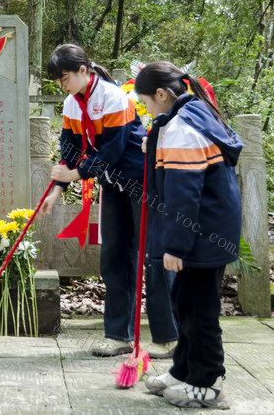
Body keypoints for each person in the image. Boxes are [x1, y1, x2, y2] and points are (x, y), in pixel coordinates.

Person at [43, 44, 178, 359]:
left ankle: (169, 337)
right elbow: (70, 149)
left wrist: (75, 175)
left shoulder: (113, 97)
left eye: (65, 78)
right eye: (59, 80)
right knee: (115, 258)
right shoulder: (72, 104)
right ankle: (119, 335)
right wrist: (56, 188)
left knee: (154, 258)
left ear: (83, 71)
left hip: (140, 181)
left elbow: (113, 151)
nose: (62, 85)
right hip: (112, 185)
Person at [135, 61, 242, 409]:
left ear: (163, 94)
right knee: (185, 302)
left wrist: (176, 246)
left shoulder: (184, 127)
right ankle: (183, 370)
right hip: (211, 229)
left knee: (199, 310)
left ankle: (208, 383)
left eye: (147, 102)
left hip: (201, 233)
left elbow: (184, 192)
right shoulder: (193, 114)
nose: (147, 109)